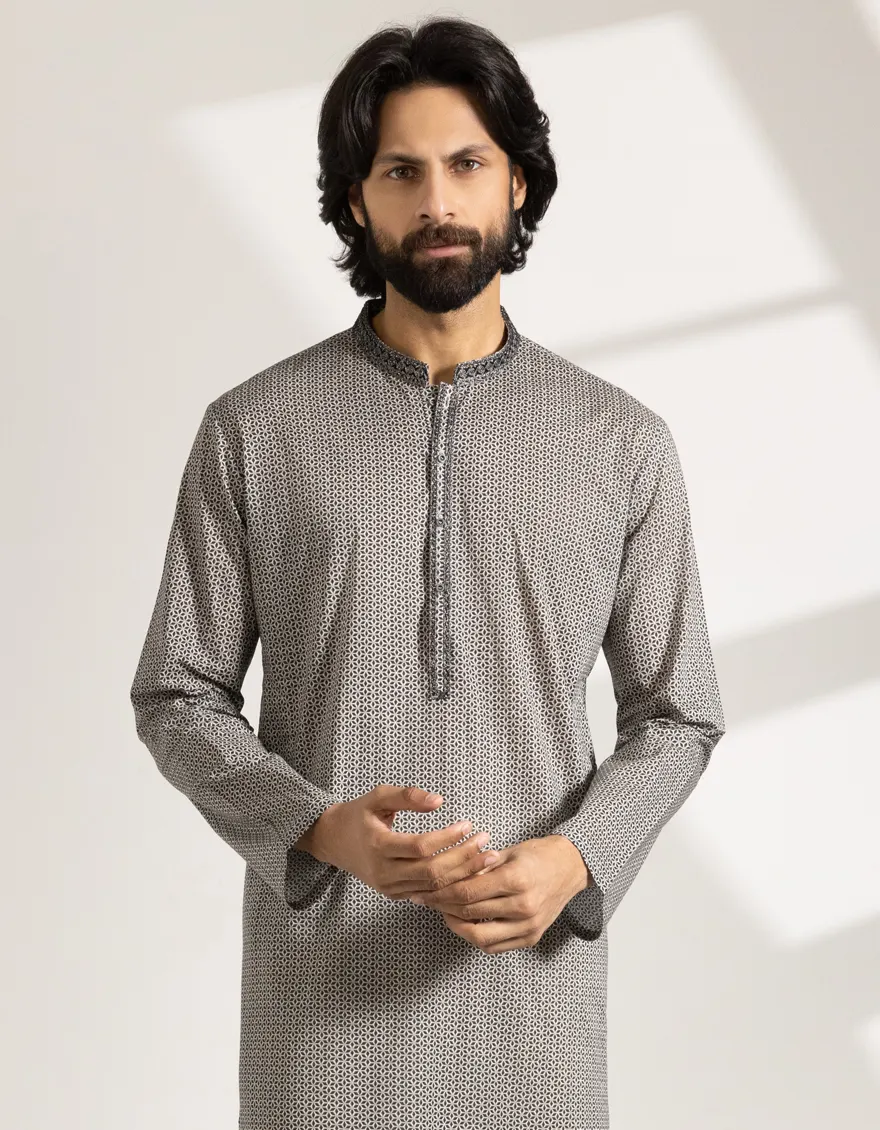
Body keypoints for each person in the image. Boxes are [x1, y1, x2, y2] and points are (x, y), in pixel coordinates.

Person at [130, 15, 725, 1130]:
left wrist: (576, 858)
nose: (437, 202)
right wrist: (320, 826)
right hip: (320, 1006)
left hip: (531, 1003)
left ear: (518, 184)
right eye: (401, 171)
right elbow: (176, 691)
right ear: (356, 200)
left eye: (467, 165)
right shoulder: (256, 431)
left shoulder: (619, 442)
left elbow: (679, 710)